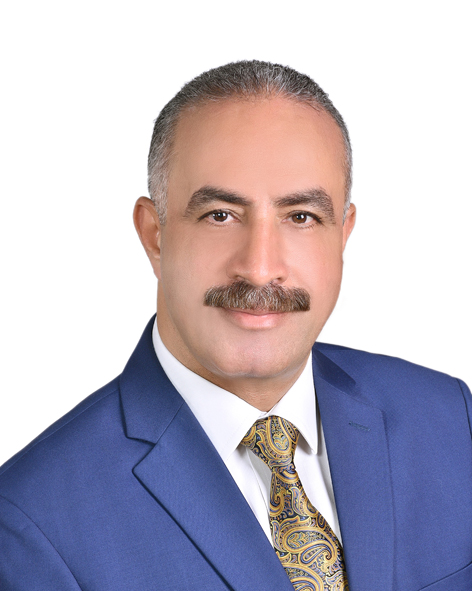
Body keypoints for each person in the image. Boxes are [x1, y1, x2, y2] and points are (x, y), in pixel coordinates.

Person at [0, 61, 471, 591]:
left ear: (343, 234)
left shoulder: (450, 420)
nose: (260, 267)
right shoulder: (29, 527)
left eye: (301, 217)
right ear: (155, 235)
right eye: (220, 215)